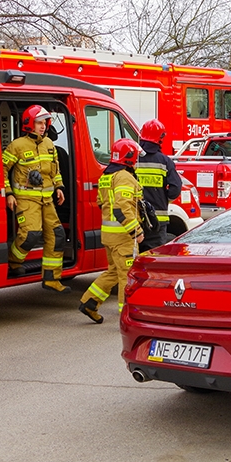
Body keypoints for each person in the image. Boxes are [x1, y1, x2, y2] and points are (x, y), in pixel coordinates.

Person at [2, 105, 69, 293]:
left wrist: (59, 188)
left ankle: (52, 278)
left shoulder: (49, 145)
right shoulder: (17, 145)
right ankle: (13, 262)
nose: (43, 126)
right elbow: (2, 169)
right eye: (39, 122)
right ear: (29, 124)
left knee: (57, 236)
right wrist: (8, 193)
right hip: (26, 200)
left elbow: (55, 171)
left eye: (45, 123)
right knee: (30, 235)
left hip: (47, 200)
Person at [79, 138, 144, 324]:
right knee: (128, 274)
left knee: (114, 272)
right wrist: (136, 231)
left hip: (109, 235)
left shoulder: (106, 176)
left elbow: (102, 203)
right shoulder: (124, 176)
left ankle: (89, 302)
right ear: (129, 157)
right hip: (123, 236)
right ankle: (128, 316)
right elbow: (122, 207)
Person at [135, 119, 182, 252]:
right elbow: (175, 188)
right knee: (154, 258)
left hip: (135, 220)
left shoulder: (133, 159)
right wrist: (163, 198)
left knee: (133, 260)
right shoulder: (165, 161)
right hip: (158, 220)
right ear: (160, 139)